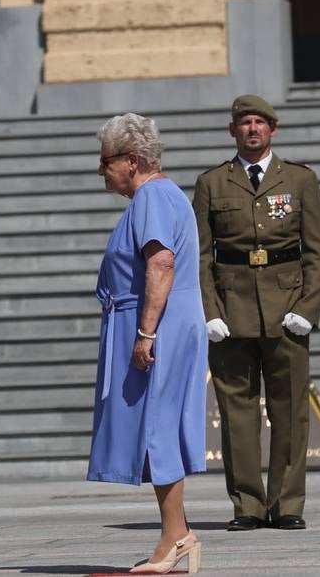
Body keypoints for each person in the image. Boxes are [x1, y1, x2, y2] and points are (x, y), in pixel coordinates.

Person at [193, 94, 320, 531]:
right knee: (237, 413)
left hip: (287, 307)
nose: (252, 129)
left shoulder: (300, 179)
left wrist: (308, 307)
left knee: (291, 411)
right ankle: (248, 505)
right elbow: (200, 254)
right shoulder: (212, 183)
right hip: (231, 311)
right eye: (244, 122)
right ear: (232, 131)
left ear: (273, 128)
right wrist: (208, 310)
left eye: (260, 122)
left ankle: (287, 503)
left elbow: (316, 252)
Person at [87, 113, 207, 575]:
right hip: (165, 321)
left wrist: (145, 333)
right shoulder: (159, 195)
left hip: (159, 325)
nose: (102, 171)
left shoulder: (153, 196)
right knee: (156, 427)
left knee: (156, 427)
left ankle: (175, 536)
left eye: (106, 162)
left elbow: (160, 264)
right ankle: (176, 534)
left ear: (132, 161)